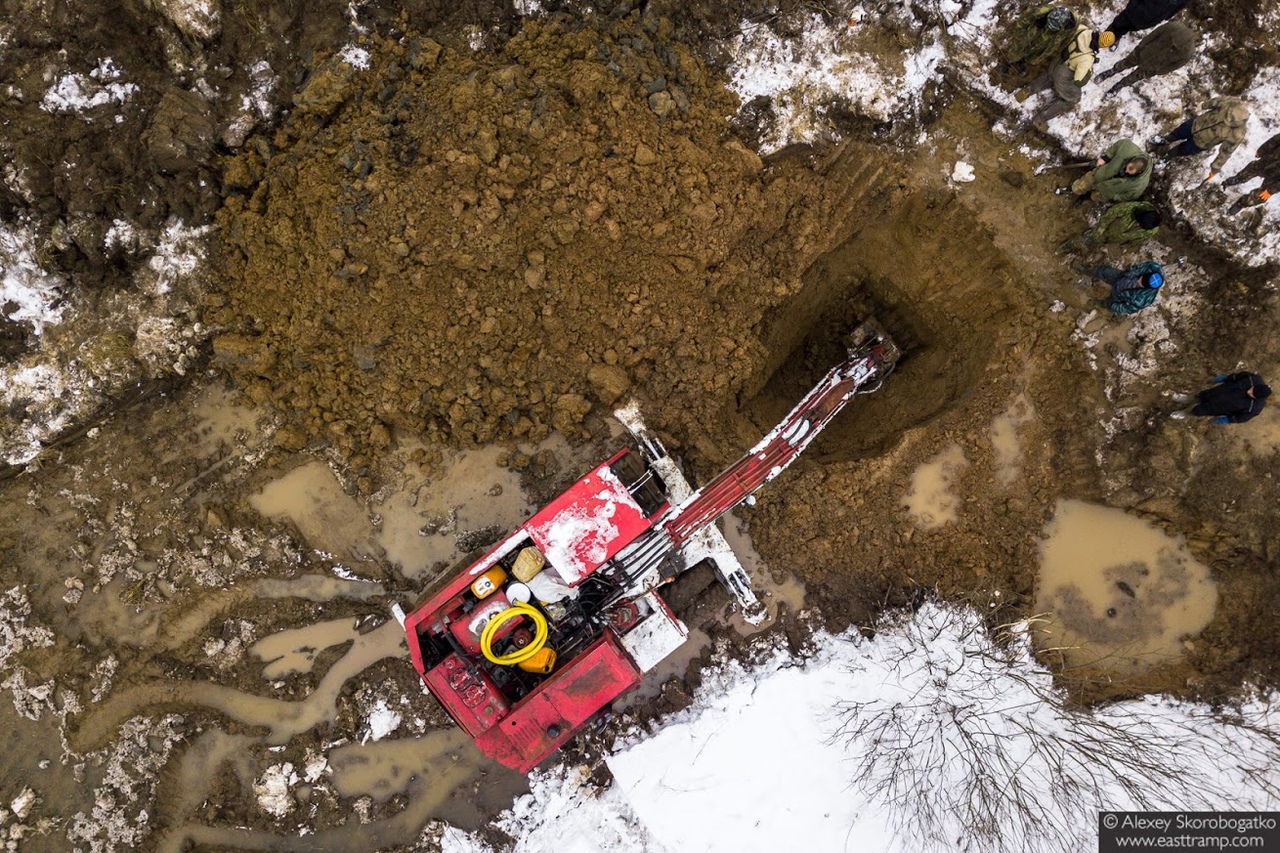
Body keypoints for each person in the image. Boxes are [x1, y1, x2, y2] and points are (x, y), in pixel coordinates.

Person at [1024, 26, 1110, 132]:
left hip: (1058, 59)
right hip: (1064, 73)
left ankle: (1026, 91)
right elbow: (1079, 81)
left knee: (1050, 76)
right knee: (1073, 98)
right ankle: (1041, 118)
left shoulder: (1084, 30)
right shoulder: (1088, 59)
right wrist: (1089, 72)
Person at [1151, 96, 1250, 179]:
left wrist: (1215, 168)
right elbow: (1215, 102)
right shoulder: (1232, 102)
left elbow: (1226, 152)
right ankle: (1165, 140)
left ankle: (1167, 158)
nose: (1226, 120)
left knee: (1182, 150)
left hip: (1201, 143)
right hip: (1195, 124)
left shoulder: (1238, 133)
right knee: (1178, 133)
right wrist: (1203, 105)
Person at [1094, 21, 1197, 94]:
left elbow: (1174, 66)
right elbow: (1154, 34)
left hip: (1155, 65)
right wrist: (1142, 45)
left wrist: (1159, 71)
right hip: (1145, 51)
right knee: (1127, 62)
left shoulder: (1188, 52)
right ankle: (1111, 72)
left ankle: (1119, 86)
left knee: (1134, 77)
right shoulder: (1173, 27)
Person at [1061, 139, 1152, 202]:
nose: (1126, 171)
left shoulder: (1140, 184)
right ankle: (1072, 189)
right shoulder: (1128, 149)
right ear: (1133, 159)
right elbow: (1119, 145)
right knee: (1082, 184)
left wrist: (1115, 196)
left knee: (1094, 196)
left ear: (1139, 172)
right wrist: (1106, 157)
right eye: (1127, 167)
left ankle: (1084, 197)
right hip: (1099, 175)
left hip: (1106, 192)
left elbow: (1129, 196)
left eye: (1130, 172)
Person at [1059, 201, 1161, 252]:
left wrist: (1124, 248)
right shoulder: (1133, 207)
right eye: (1139, 223)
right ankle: (1064, 248)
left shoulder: (1150, 231)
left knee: (1093, 248)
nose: (1138, 225)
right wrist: (1101, 227)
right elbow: (1112, 212)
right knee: (1086, 240)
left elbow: (1137, 241)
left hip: (1115, 240)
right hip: (1105, 231)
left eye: (1141, 226)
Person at [1003, 6, 1078, 73]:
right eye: (1050, 24)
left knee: (1036, 56)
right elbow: (1023, 19)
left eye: (1053, 27)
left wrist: (1059, 49)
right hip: (1034, 34)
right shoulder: (1041, 12)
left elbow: (1068, 38)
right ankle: (1008, 61)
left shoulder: (1071, 26)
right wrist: (1020, 35)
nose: (1050, 27)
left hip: (1049, 43)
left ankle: (1024, 62)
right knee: (1018, 49)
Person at [1171, 373, 1271, 423]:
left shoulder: (1254, 408)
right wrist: (1223, 378)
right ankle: (1187, 399)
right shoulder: (1253, 378)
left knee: (1198, 410)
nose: (1249, 391)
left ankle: (1185, 413)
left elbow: (1241, 418)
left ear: (1257, 398)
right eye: (1252, 389)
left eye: (1252, 394)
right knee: (1200, 396)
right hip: (1217, 392)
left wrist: (1226, 420)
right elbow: (1236, 376)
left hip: (1219, 408)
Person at [1080, 260, 1164, 315]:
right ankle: (1085, 270)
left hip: (1119, 295)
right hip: (1121, 277)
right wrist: (1131, 271)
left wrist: (1113, 306)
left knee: (1108, 303)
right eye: (1140, 278)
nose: (1138, 281)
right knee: (1104, 271)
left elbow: (1126, 309)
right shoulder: (1153, 268)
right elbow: (1140, 267)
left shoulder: (1142, 300)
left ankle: (1098, 303)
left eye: (1141, 284)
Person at [1223, 133, 1280, 213]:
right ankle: (1236, 179)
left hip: (1276, 178)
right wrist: (1262, 150)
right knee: (1251, 169)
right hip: (1268, 161)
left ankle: (1241, 204)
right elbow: (1275, 140)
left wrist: (1271, 190)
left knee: (1261, 196)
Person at [1103, 0, 1190, 42]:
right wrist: (1132, 5)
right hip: (1137, 9)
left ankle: (1116, 36)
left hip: (1148, 20)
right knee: (1119, 23)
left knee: (1129, 28)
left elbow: (1176, 9)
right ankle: (1103, 38)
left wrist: (1163, 18)